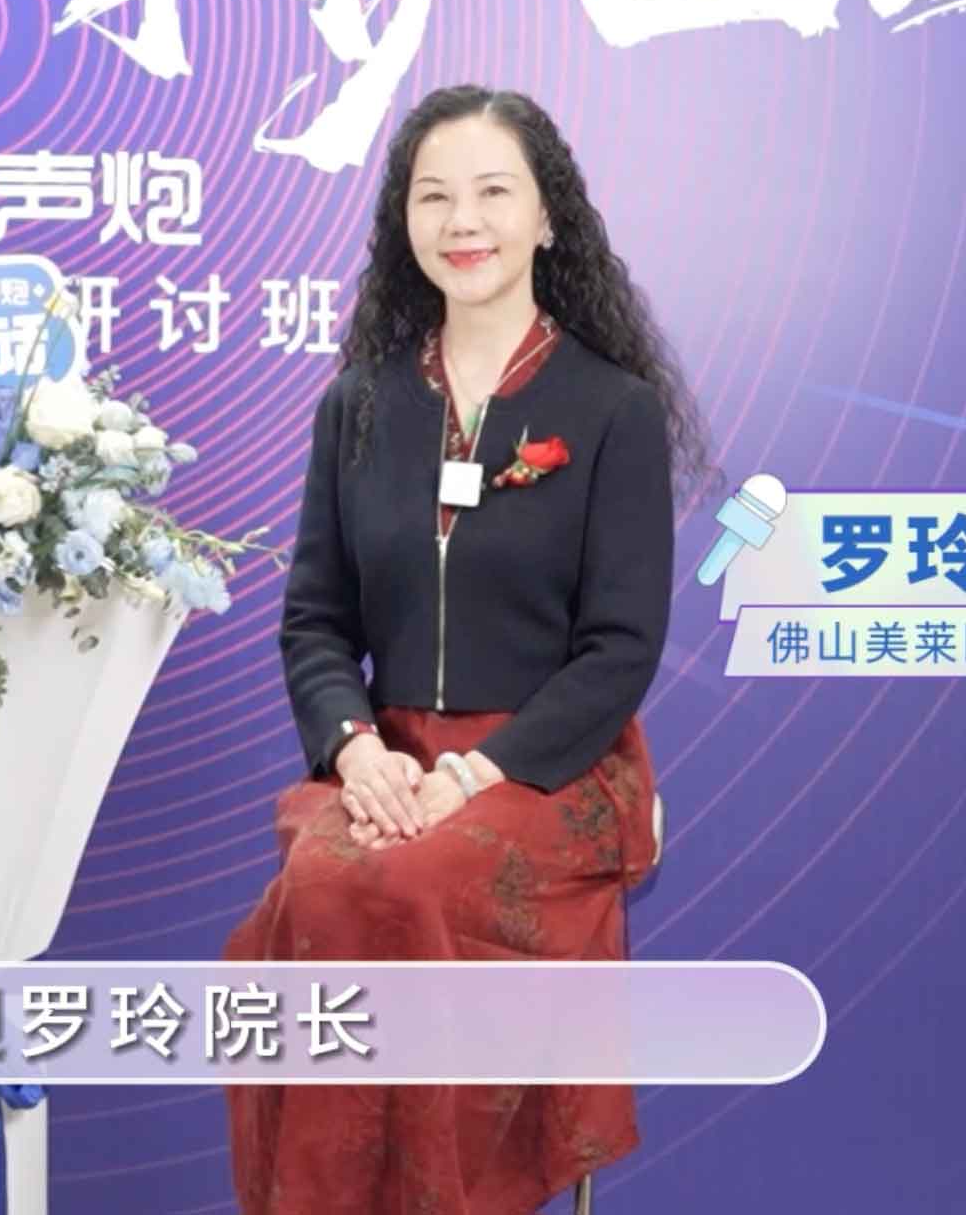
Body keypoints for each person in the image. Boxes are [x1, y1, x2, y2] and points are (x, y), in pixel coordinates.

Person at [224, 85, 711, 1215]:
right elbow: (315, 619)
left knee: (409, 879)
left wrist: (476, 775)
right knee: (321, 887)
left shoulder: (610, 409)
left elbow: (619, 647)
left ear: (548, 216)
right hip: (389, 765)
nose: (463, 220)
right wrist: (357, 752)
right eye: (433, 196)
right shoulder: (360, 405)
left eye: (494, 191)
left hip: (546, 766)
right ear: (404, 221)